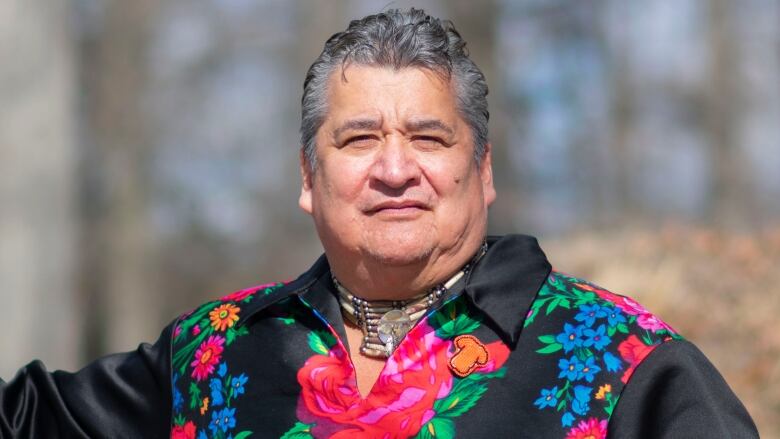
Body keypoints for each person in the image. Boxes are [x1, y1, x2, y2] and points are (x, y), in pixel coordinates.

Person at [0, 8, 758, 439]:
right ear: (308, 177)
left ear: (483, 170)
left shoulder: (625, 365)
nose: (395, 168)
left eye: (428, 137)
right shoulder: (214, 352)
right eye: (358, 138)